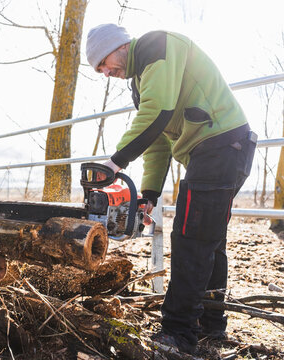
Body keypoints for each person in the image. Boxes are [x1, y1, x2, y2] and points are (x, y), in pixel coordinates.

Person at [85, 24, 256, 354]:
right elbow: (159, 141)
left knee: (191, 237)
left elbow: (157, 113)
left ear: (118, 46)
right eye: (100, 71)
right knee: (208, 238)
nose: (105, 72)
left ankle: (178, 334)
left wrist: (114, 163)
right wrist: (148, 194)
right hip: (219, 149)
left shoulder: (155, 46)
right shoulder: (141, 82)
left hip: (219, 145)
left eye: (103, 63)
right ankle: (212, 325)